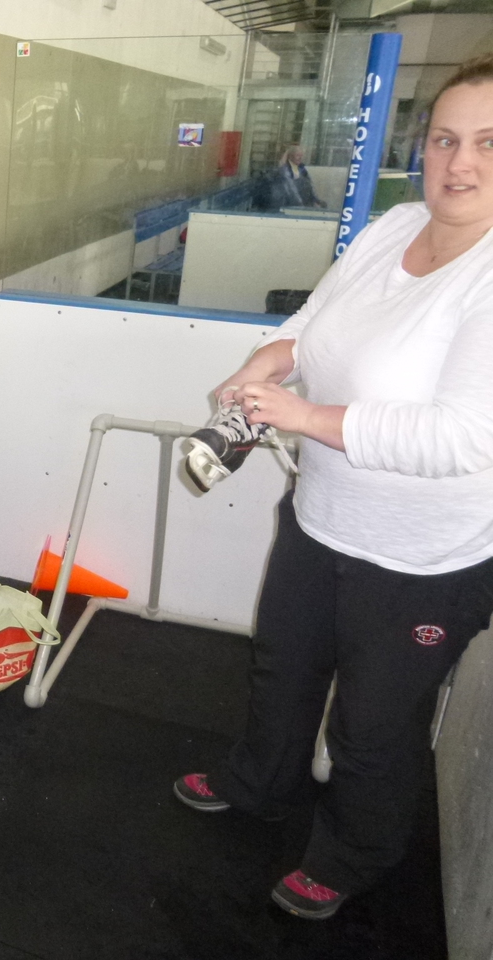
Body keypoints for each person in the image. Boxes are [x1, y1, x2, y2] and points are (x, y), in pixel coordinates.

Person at [173, 54, 493, 920]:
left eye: (488, 143)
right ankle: (257, 782)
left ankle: (356, 854)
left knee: (373, 725)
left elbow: (464, 438)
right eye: (445, 140)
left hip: (422, 561)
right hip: (321, 518)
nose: (460, 163)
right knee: (282, 671)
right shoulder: (395, 226)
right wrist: (268, 362)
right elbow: (316, 321)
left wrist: (304, 417)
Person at [265, 144, 325, 210]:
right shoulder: (285, 171)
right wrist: (300, 205)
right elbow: (291, 189)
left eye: (301, 156)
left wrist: (316, 200)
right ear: (290, 157)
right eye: (297, 155)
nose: (300, 158)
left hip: (303, 205)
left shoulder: (302, 170)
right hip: (290, 206)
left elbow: (310, 186)